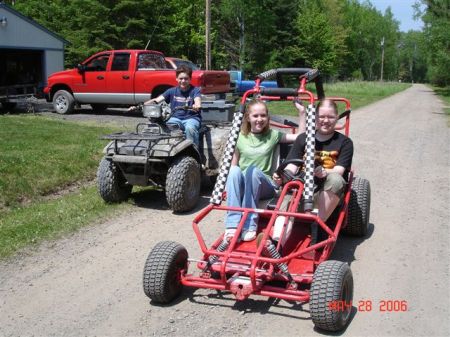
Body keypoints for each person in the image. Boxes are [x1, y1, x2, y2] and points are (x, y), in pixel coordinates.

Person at [224, 99, 306, 242]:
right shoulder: (238, 137)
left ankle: (249, 225)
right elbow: (233, 166)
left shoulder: (272, 135)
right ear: (248, 117)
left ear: (267, 117)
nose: (259, 119)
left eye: (263, 115)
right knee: (233, 171)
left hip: (266, 185)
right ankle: (232, 226)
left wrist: (302, 113)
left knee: (252, 171)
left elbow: (301, 138)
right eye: (255, 116)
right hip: (245, 185)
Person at [273, 99, 354, 244]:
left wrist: (324, 172)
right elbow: (291, 165)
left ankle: (318, 226)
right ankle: (275, 244)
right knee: (290, 189)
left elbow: (340, 171)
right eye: (321, 116)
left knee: (335, 178)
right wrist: (282, 175)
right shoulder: (304, 138)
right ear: (315, 117)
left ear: (336, 118)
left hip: (327, 190)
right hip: (303, 187)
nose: (325, 120)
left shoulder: (344, 142)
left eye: (330, 117)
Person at [141, 65, 202, 147]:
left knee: (190, 128)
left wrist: (196, 105)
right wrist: (143, 105)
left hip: (191, 118)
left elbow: (197, 101)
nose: (183, 81)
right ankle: (166, 148)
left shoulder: (195, 90)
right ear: (176, 79)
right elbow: (157, 100)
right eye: (181, 78)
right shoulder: (171, 91)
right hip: (175, 118)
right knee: (162, 127)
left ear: (190, 79)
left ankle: (193, 151)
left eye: (186, 79)